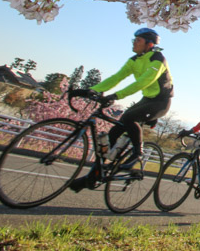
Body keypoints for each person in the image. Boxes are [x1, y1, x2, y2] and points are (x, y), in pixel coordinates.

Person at [70, 27, 174, 191]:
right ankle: (92, 177)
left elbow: (143, 82)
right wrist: (92, 90)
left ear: (149, 44)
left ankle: (137, 154)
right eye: (134, 40)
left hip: (161, 102)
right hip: (146, 99)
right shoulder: (134, 60)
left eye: (138, 40)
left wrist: (116, 96)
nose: (134, 42)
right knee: (114, 132)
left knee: (128, 118)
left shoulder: (157, 59)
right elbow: (116, 77)